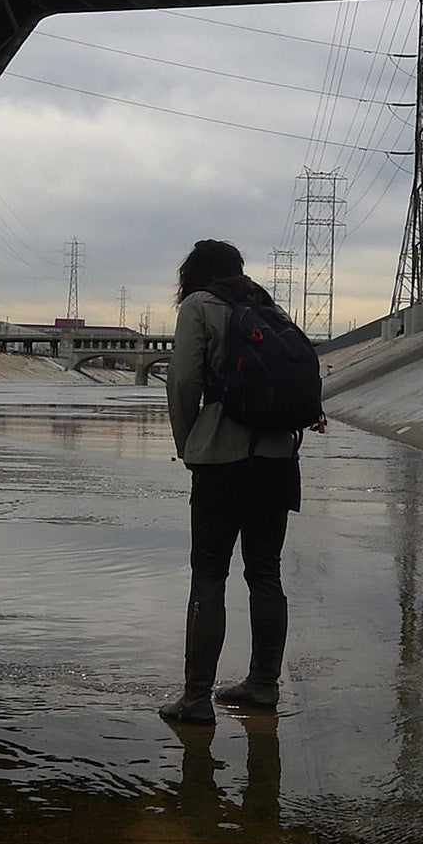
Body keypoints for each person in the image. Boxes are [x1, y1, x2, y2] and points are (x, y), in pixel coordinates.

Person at [159, 239, 306, 725]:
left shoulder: (199, 307)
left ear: (194, 273)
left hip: (222, 461)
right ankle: (263, 683)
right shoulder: (269, 308)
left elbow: (182, 382)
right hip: (278, 459)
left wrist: (189, 442)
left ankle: (196, 699)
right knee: (265, 572)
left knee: (209, 576)